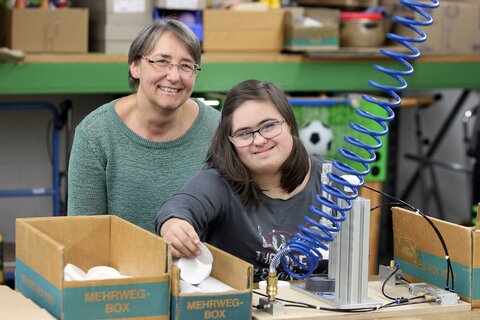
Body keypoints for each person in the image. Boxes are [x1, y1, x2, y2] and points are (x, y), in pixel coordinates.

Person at [155, 79, 332, 281]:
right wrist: (174, 226)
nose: (259, 140)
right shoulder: (220, 181)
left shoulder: (331, 179)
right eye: (244, 133)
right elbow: (178, 207)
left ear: (290, 124)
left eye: (269, 126)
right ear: (229, 142)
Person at [67, 19, 220, 233]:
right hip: (120, 265)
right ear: (135, 66)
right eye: (161, 61)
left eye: (186, 65)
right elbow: (84, 232)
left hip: (201, 263)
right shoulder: (95, 134)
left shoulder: (217, 128)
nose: (174, 76)